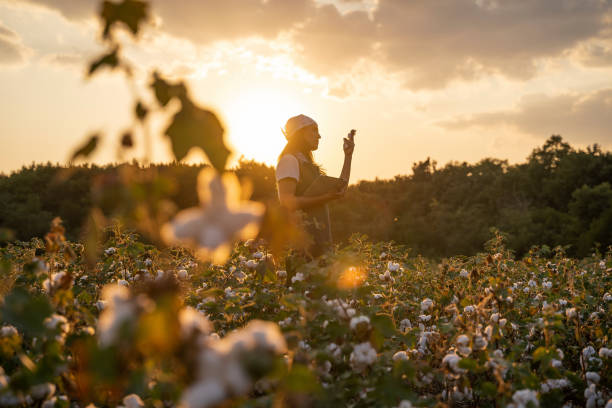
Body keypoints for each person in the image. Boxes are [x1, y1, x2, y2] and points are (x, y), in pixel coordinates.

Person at [275, 114, 355, 258]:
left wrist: (348, 156)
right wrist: (324, 197)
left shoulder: (309, 166)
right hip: (302, 243)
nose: (319, 136)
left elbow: (340, 190)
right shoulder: (289, 160)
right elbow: (286, 201)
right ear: (300, 133)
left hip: (319, 239)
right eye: (314, 130)